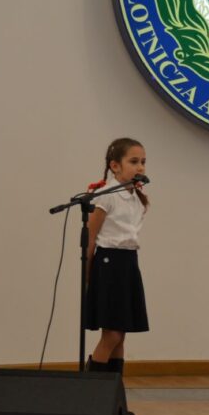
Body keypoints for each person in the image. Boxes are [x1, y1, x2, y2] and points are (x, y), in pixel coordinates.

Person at [85, 137, 150, 374]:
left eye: (143, 162)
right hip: (108, 264)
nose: (140, 167)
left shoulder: (135, 196)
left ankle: (114, 392)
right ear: (115, 166)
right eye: (133, 161)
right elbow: (90, 238)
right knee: (111, 334)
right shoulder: (106, 195)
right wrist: (88, 275)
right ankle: (92, 390)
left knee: (121, 334)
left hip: (128, 263)